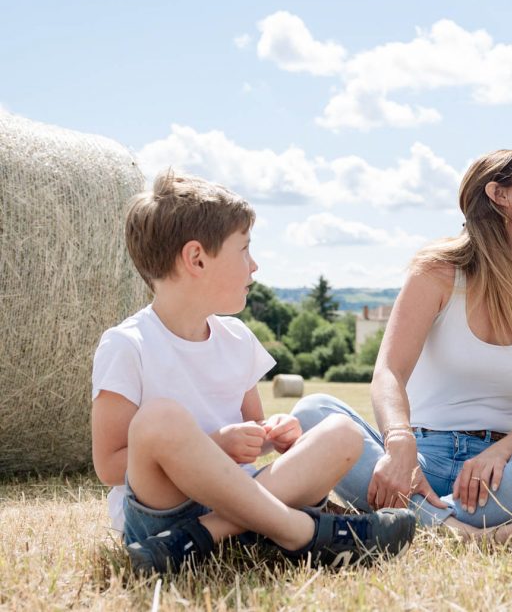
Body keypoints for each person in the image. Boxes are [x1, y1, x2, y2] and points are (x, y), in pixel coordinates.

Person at [91, 170, 416, 574]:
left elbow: (253, 430)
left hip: (249, 500)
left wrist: (273, 435)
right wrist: (216, 445)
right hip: (163, 514)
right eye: (244, 250)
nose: (255, 265)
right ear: (197, 259)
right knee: (160, 420)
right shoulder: (128, 344)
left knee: (343, 433)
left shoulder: (238, 338)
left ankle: (207, 537)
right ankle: (299, 531)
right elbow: (108, 465)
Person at [292, 149, 512, 547]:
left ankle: (405, 523)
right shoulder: (437, 272)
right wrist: (399, 444)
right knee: (312, 411)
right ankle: (464, 533)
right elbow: (389, 372)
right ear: (499, 194)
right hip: (418, 458)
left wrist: (498, 454)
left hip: (497, 472)